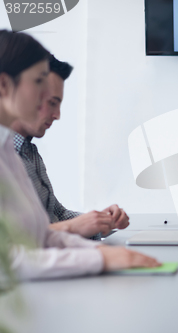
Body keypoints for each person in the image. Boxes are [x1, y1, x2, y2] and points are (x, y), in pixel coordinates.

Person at [0, 30, 160, 280]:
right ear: (4, 85)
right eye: (39, 82)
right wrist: (99, 257)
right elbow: (6, 259)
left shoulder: (11, 150)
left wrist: (101, 244)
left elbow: (41, 235)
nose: (46, 101)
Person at [10, 55, 129, 240]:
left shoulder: (30, 152)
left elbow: (57, 215)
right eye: (52, 103)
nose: (57, 115)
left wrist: (101, 222)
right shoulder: (6, 158)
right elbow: (14, 240)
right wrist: (74, 227)